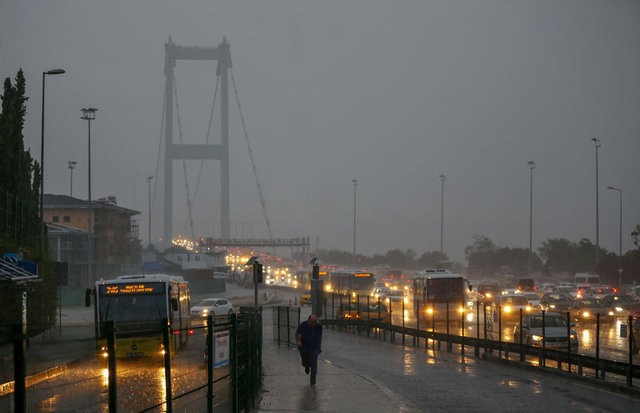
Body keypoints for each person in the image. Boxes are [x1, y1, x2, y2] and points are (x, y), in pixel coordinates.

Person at [295, 313, 323, 386]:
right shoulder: (303, 325)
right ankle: (306, 366)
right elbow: (297, 333)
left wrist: (319, 346)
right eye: (311, 322)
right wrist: (298, 341)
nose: (313, 324)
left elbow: (320, 337)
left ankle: (312, 380)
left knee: (314, 363)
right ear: (308, 321)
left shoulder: (319, 327)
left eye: (315, 322)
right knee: (305, 359)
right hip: (304, 346)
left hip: (314, 347)